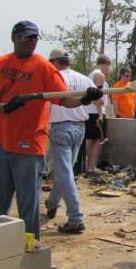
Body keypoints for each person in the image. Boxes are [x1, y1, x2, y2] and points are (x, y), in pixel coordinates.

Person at [0, 21, 103, 240]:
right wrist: (5, 107)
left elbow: (64, 100)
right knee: (0, 201)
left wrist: (85, 98)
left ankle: (30, 246)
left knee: (28, 202)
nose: (31, 42)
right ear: (14, 38)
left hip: (29, 144)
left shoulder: (45, 68)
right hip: (1, 142)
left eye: (35, 38)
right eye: (26, 38)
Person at [45, 48, 98, 234]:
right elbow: (98, 98)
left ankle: (75, 218)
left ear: (54, 62)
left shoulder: (54, 78)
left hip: (61, 128)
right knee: (65, 171)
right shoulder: (84, 79)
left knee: (64, 172)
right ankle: (52, 202)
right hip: (79, 127)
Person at [84, 54, 112, 176]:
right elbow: (98, 97)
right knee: (99, 140)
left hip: (89, 112)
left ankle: (89, 167)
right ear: (105, 63)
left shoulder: (91, 74)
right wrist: (101, 114)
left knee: (91, 140)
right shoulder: (99, 75)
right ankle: (92, 167)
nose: (108, 69)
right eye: (108, 66)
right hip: (97, 112)